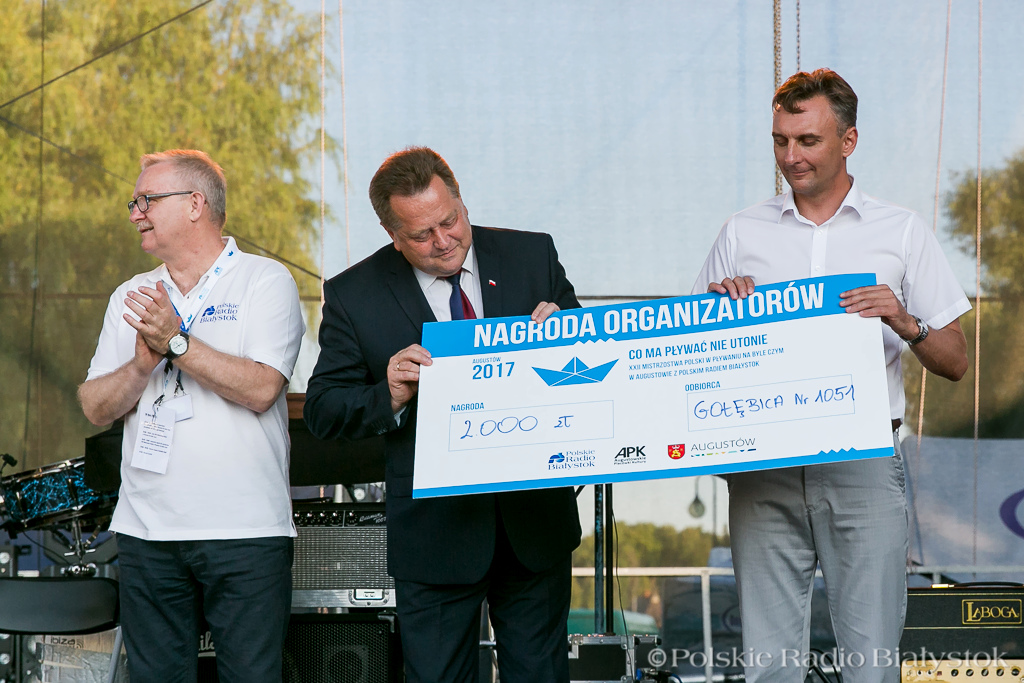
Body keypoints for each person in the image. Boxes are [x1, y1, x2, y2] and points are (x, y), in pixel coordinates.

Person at [692, 69, 970, 682]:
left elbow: (955, 360)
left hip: (863, 460)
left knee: (871, 662)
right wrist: (716, 315)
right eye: (780, 140)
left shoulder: (900, 230)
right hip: (763, 465)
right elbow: (694, 360)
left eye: (808, 140)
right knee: (769, 665)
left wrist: (904, 320)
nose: (791, 156)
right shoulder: (740, 232)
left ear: (848, 141)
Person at [304, 147, 582, 683]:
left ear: (461, 201)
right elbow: (323, 410)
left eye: (450, 221)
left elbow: (587, 367)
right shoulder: (353, 294)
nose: (443, 240)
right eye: (421, 235)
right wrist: (388, 393)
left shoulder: (533, 256)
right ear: (391, 234)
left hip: (533, 526)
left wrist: (568, 333)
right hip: (433, 538)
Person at [78, 149, 304, 683]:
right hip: (146, 531)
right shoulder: (130, 295)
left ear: (196, 204)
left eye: (147, 200)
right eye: (134, 203)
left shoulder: (263, 280)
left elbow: (262, 388)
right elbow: (94, 406)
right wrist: (140, 367)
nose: (135, 213)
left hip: (245, 531)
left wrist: (176, 342)